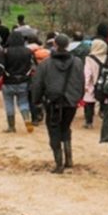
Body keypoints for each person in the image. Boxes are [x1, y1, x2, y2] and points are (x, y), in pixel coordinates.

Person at [32, 35, 85, 173]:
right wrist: (77, 97)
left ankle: (59, 163)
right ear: (68, 45)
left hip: (52, 102)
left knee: (54, 130)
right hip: (71, 102)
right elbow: (81, 82)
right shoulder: (78, 62)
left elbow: (37, 84)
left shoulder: (45, 64)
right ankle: (69, 159)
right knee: (66, 127)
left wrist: (36, 100)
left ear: (54, 45)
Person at [0, 31, 36, 133]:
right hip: (24, 81)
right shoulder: (28, 51)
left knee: (9, 104)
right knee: (23, 102)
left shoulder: (5, 52)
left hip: (8, 82)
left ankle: (11, 127)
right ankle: (27, 119)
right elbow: (33, 67)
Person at [83, 39, 108, 129]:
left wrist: (85, 85)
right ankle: (105, 118)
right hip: (106, 84)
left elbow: (87, 73)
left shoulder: (89, 59)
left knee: (89, 103)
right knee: (105, 101)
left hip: (93, 84)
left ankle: (89, 122)